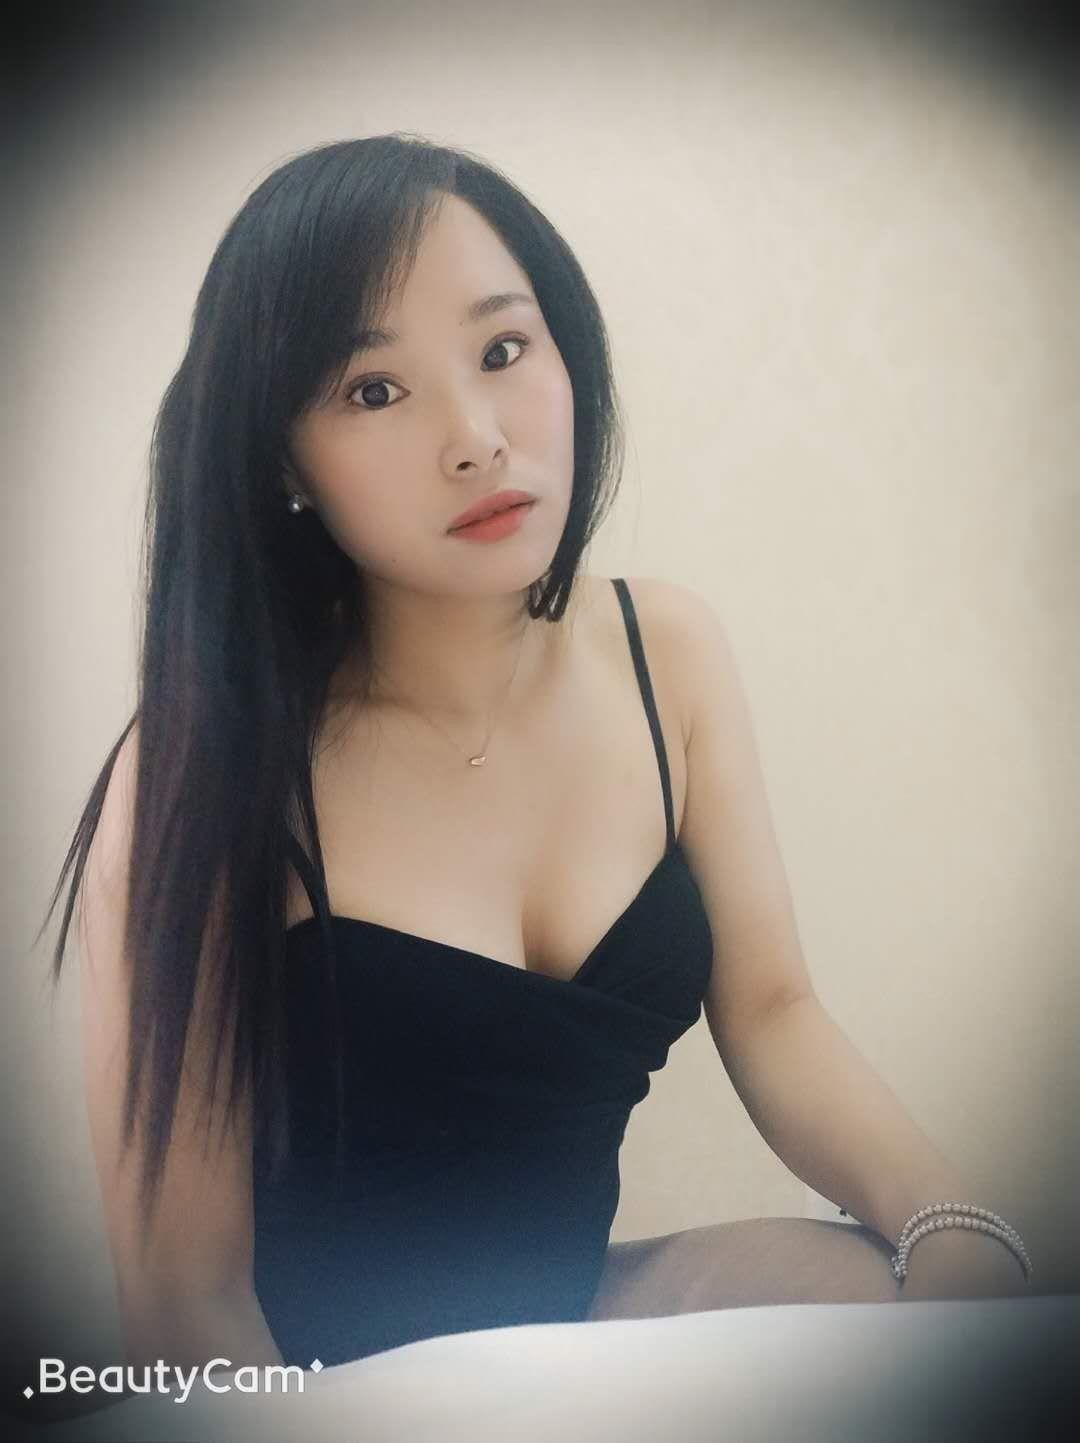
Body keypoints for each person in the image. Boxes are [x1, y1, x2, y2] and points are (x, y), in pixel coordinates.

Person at [39, 132, 1025, 1384]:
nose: (476, 439)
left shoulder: (666, 651)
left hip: (564, 1322)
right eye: (373, 391)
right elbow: (184, 1307)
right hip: (322, 1387)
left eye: (503, 352)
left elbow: (775, 1011)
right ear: (283, 461)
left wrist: (951, 1223)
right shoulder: (204, 768)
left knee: (902, 1306)